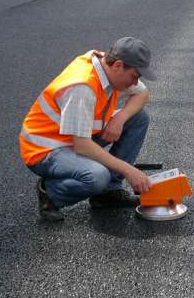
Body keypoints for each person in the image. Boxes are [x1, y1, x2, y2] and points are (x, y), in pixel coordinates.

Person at [19, 37, 156, 222]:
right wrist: (128, 170)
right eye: (134, 76)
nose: (134, 83)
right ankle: (50, 194)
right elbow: (82, 146)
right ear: (118, 65)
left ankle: (108, 193)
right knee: (97, 176)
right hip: (46, 149)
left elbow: (143, 93)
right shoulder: (82, 86)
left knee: (138, 118)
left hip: (76, 136)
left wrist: (120, 119)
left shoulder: (105, 66)